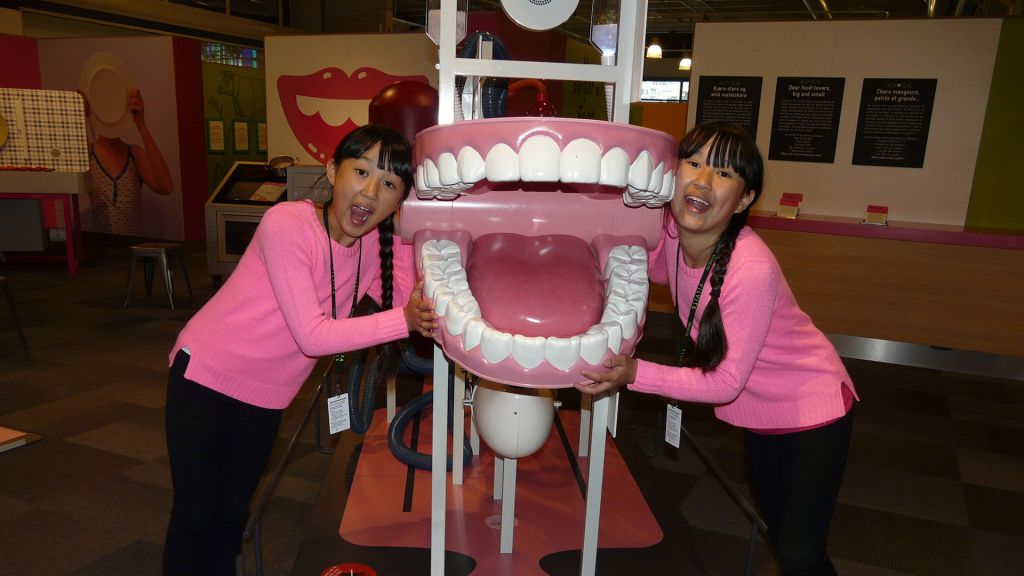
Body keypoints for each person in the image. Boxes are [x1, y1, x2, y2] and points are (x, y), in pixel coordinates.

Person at [577, 121, 856, 576]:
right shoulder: (673, 233)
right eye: (694, 162)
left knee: (801, 553)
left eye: (724, 173)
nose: (703, 180)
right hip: (762, 412)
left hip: (812, 408)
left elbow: (725, 382)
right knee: (782, 536)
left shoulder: (751, 268)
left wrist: (635, 374)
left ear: (744, 199)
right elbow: (666, 273)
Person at [162, 124, 437, 575]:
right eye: (361, 171)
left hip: (266, 396)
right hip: (205, 377)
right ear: (332, 171)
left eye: (389, 184)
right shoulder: (288, 223)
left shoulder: (372, 246)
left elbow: (410, 302)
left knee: (231, 519)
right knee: (195, 518)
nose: (370, 191)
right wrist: (405, 317)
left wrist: (405, 232)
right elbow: (313, 336)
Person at [83, 87, 174, 235]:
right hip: (103, 251)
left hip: (134, 250)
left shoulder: (134, 153)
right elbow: (66, 186)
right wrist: (80, 118)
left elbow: (165, 186)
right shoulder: (88, 153)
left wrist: (141, 124)